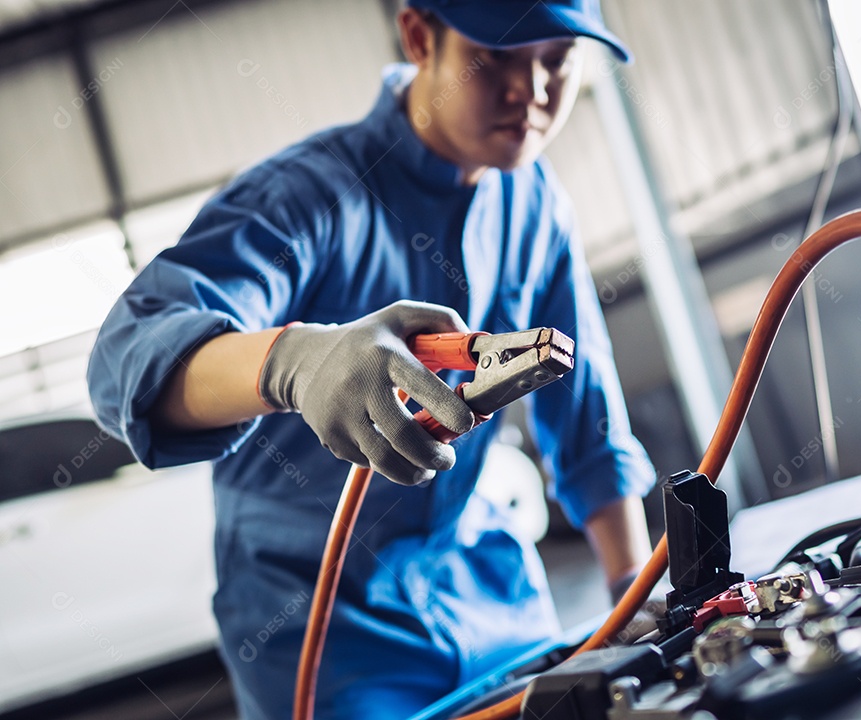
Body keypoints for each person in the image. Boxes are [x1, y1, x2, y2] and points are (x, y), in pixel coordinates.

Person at [88, 1, 656, 717]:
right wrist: (290, 362)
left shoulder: (537, 203)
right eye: (501, 56)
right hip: (322, 631)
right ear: (420, 37)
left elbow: (586, 417)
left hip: (489, 593)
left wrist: (631, 586)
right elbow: (126, 359)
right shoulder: (307, 195)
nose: (531, 91)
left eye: (556, 60)